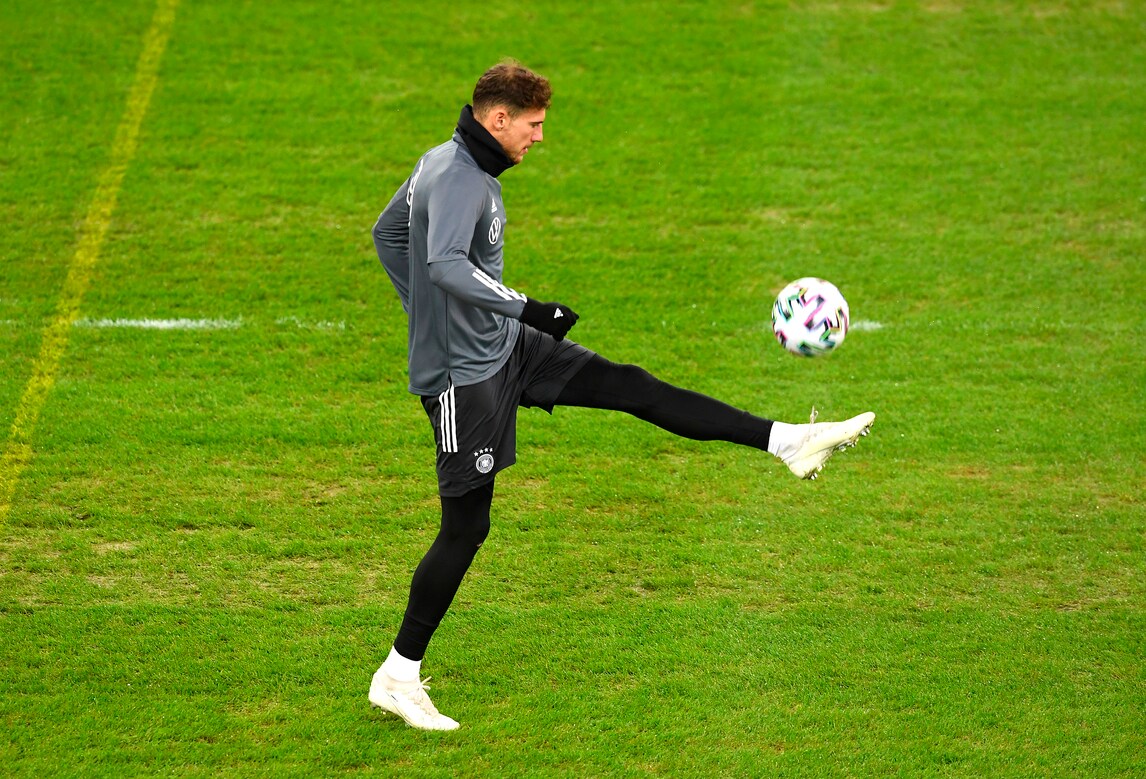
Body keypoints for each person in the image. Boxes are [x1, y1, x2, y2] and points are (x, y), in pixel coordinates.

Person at [368, 61, 875, 731]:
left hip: (502, 347)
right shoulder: (459, 177)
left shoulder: (442, 160)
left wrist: (436, 316)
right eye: (533, 125)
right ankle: (397, 676)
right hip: (465, 378)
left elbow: (388, 233)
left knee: (629, 386)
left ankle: (788, 441)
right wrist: (521, 309)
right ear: (499, 118)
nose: (539, 137)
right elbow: (443, 264)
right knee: (466, 528)